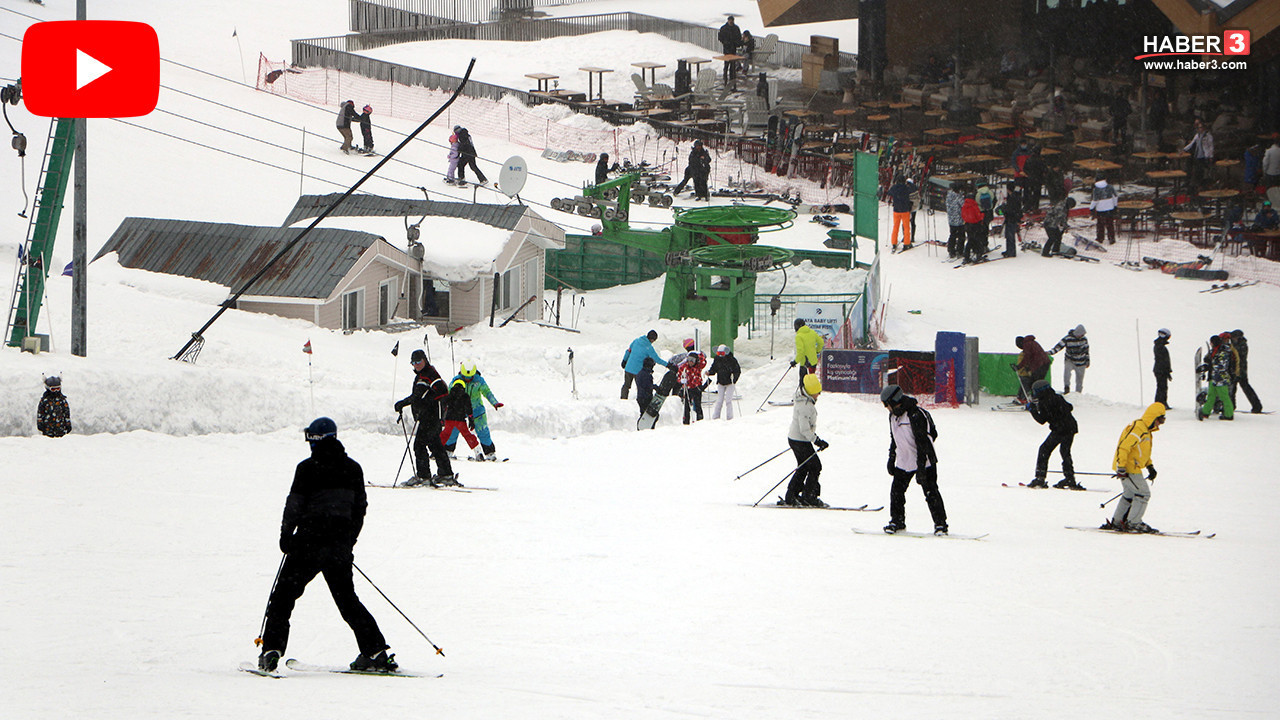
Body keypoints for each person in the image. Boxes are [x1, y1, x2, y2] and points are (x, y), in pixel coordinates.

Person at [258, 417, 397, 673]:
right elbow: (359, 509)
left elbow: (294, 505)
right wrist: (348, 541)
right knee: (348, 601)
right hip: (338, 547)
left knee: (283, 598)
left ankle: (271, 650)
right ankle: (376, 652)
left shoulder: (306, 468)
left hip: (306, 545)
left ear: (315, 440)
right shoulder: (353, 468)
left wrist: (286, 536)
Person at [880, 384, 948, 535]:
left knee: (931, 492)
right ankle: (897, 521)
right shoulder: (893, 416)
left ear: (895, 401)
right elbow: (894, 438)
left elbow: (923, 443)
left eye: (888, 405)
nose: (887, 408)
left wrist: (922, 468)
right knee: (896, 491)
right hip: (904, 461)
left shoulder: (915, 415)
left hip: (925, 461)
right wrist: (892, 458)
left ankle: (941, 525)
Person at [393, 349, 455, 486]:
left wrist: (406, 403)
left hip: (431, 417)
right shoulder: (422, 375)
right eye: (413, 363)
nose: (416, 365)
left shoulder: (429, 374)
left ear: (425, 360)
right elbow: (418, 396)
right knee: (435, 445)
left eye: (419, 361)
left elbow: (443, 390)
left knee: (419, 445)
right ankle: (446, 474)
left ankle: (424, 476)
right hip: (427, 417)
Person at [1106, 403, 1165, 533]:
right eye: (1160, 420)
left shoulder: (1146, 431)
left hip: (1131, 467)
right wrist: (1121, 467)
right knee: (1143, 494)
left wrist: (1150, 466)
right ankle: (1134, 523)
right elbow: (1124, 447)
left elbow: (1143, 453)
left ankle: (1117, 521)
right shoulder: (1138, 428)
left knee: (1129, 494)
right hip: (1128, 468)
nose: (1160, 424)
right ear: (1153, 417)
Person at [781, 373, 828, 507]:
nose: (818, 395)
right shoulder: (804, 406)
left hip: (798, 439)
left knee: (804, 466)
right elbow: (804, 429)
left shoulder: (805, 401)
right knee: (815, 466)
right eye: (817, 392)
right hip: (799, 440)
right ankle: (808, 496)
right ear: (810, 392)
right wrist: (817, 440)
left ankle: (793, 495)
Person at [1026, 380, 1082, 490]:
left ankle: (1040, 477)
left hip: (1059, 430)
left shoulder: (1044, 402)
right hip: (1070, 427)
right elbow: (1069, 407)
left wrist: (1032, 410)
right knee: (1065, 452)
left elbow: (1042, 420)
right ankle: (1070, 477)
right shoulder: (1057, 397)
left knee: (1044, 450)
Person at [451, 362, 504, 460]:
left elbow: (487, 392)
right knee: (453, 429)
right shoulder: (456, 380)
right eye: (465, 377)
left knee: (483, 431)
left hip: (477, 410)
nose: (467, 379)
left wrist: (495, 403)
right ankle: (448, 451)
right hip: (460, 410)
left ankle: (490, 453)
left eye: (470, 377)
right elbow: (450, 393)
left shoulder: (479, 381)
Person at [440, 378, 481, 461]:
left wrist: (442, 418)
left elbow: (443, 403)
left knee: (445, 434)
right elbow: (469, 409)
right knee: (467, 435)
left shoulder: (449, 395)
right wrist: (471, 420)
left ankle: (437, 452)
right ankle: (478, 453)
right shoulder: (465, 396)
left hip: (449, 419)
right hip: (460, 420)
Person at [621, 330, 668, 399]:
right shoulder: (649, 348)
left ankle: (623, 399)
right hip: (638, 371)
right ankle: (639, 400)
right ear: (652, 339)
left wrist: (624, 360)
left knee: (626, 385)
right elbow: (657, 359)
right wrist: (667, 365)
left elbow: (628, 351)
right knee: (640, 387)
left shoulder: (636, 341)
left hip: (628, 368)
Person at [1197, 334, 1235, 421]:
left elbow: (1221, 365)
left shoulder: (1223, 351)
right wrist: (1206, 365)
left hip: (1221, 378)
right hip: (1213, 378)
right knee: (1211, 396)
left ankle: (1229, 414)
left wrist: (1209, 366)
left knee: (1224, 397)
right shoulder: (1215, 350)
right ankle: (1205, 412)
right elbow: (1210, 360)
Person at [1228, 329, 1263, 414]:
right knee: (1233, 388)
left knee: (1243, 387)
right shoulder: (1236, 344)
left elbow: (1239, 355)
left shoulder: (1242, 345)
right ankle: (1231, 405)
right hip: (1236, 369)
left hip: (1241, 370)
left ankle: (1256, 406)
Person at [1048, 324, 1090, 394]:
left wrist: (1087, 361)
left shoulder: (1084, 339)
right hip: (1069, 360)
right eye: (1081, 334)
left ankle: (1078, 393)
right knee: (1067, 374)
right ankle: (1066, 388)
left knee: (1080, 379)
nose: (1081, 336)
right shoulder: (1067, 338)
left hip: (1081, 362)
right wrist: (1050, 352)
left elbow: (1086, 351)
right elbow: (1058, 347)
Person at [707, 345, 741, 420]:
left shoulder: (732, 360)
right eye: (718, 353)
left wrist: (734, 379)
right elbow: (714, 368)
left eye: (722, 353)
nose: (720, 355)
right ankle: (715, 417)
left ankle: (730, 417)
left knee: (728, 401)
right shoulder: (717, 359)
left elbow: (737, 371)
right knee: (719, 400)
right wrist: (709, 372)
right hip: (721, 382)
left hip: (730, 383)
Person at [677, 340, 706, 424]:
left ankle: (700, 421)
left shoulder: (698, 366)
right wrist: (682, 380)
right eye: (689, 359)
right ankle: (686, 421)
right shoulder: (684, 367)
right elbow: (679, 376)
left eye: (693, 360)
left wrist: (699, 353)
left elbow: (703, 362)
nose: (690, 362)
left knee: (698, 405)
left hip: (697, 387)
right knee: (687, 406)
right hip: (688, 388)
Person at [1014, 335, 1050, 402]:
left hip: (1040, 365)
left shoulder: (1027, 344)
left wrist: (1019, 366)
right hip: (1043, 363)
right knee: (1035, 381)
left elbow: (1027, 357)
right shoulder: (1031, 342)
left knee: (1034, 382)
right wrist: (1029, 367)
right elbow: (1033, 356)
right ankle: (1033, 398)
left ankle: (1032, 399)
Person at [1183, 118, 1214, 191]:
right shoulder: (1197, 135)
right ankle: (1194, 184)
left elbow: (1211, 147)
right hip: (1197, 155)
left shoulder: (1208, 136)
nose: (1199, 129)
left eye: (1200, 127)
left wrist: (1210, 156)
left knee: (1201, 170)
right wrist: (1184, 149)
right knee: (1195, 169)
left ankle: (1200, 185)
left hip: (1204, 155)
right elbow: (1191, 143)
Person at [792, 318, 824, 387]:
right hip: (813, 361)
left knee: (803, 382)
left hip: (804, 362)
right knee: (811, 380)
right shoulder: (812, 332)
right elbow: (821, 342)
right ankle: (813, 394)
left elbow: (801, 352)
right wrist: (817, 351)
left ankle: (804, 395)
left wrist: (795, 361)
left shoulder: (799, 336)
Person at [886, 176, 914, 251]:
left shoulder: (894, 187)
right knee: (906, 227)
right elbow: (912, 191)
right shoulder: (906, 188)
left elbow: (889, 193)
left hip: (896, 210)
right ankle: (906, 243)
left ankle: (894, 242)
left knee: (895, 226)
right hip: (905, 210)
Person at [998, 180, 1023, 258]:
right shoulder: (1016, 196)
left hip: (1011, 218)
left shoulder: (1013, 198)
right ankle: (1009, 250)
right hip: (1013, 218)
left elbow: (1010, 209)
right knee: (1009, 235)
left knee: (1010, 236)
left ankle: (1011, 252)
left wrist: (1003, 209)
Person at [1089, 178, 1118, 245]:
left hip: (1100, 209)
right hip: (1110, 208)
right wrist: (1115, 205)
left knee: (1100, 224)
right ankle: (1111, 238)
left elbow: (1095, 200)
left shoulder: (1096, 189)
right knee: (1110, 224)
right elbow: (1115, 196)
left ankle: (1100, 238)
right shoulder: (1110, 187)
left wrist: (1091, 208)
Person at [961, 190, 986, 263]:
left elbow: (963, 215)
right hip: (975, 225)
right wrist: (982, 215)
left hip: (968, 225)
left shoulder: (964, 205)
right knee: (977, 240)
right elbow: (977, 216)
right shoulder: (974, 205)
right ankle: (979, 254)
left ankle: (966, 255)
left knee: (970, 240)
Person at [717, 16, 742, 86]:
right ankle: (725, 79)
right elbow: (720, 37)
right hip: (726, 49)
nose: (731, 21)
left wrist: (736, 44)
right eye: (730, 20)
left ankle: (732, 80)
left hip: (733, 49)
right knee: (726, 65)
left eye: (732, 20)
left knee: (733, 66)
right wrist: (725, 42)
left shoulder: (736, 28)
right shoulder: (724, 28)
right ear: (728, 20)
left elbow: (739, 38)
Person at [945, 181, 965, 259]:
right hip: (959, 219)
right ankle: (960, 250)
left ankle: (951, 250)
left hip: (951, 219)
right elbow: (963, 205)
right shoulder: (958, 197)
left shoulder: (949, 196)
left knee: (952, 234)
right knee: (961, 235)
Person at [1153, 328, 1172, 407]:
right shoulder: (1160, 346)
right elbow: (1163, 361)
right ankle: (1160, 403)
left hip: (1160, 369)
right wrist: (1167, 371)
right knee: (1162, 387)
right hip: (1160, 370)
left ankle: (1161, 403)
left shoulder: (1159, 345)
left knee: (1162, 387)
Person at [1263, 135, 1280, 207]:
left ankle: (1268, 204)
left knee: (1269, 190)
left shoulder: (1269, 151)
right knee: (1277, 189)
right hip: (1278, 173)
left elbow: (1265, 163)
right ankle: (1277, 202)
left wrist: (1264, 171)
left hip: (1270, 173)